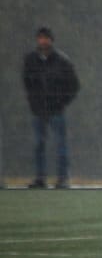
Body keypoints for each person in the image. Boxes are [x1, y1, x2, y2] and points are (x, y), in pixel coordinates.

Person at [23, 27, 80, 189]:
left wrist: (61, 102)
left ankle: (62, 178)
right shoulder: (30, 60)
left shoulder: (62, 61)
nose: (43, 41)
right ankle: (40, 178)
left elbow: (74, 85)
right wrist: (33, 103)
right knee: (39, 144)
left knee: (60, 145)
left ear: (51, 40)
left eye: (46, 38)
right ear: (37, 40)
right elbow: (27, 83)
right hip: (38, 110)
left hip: (56, 110)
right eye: (40, 38)